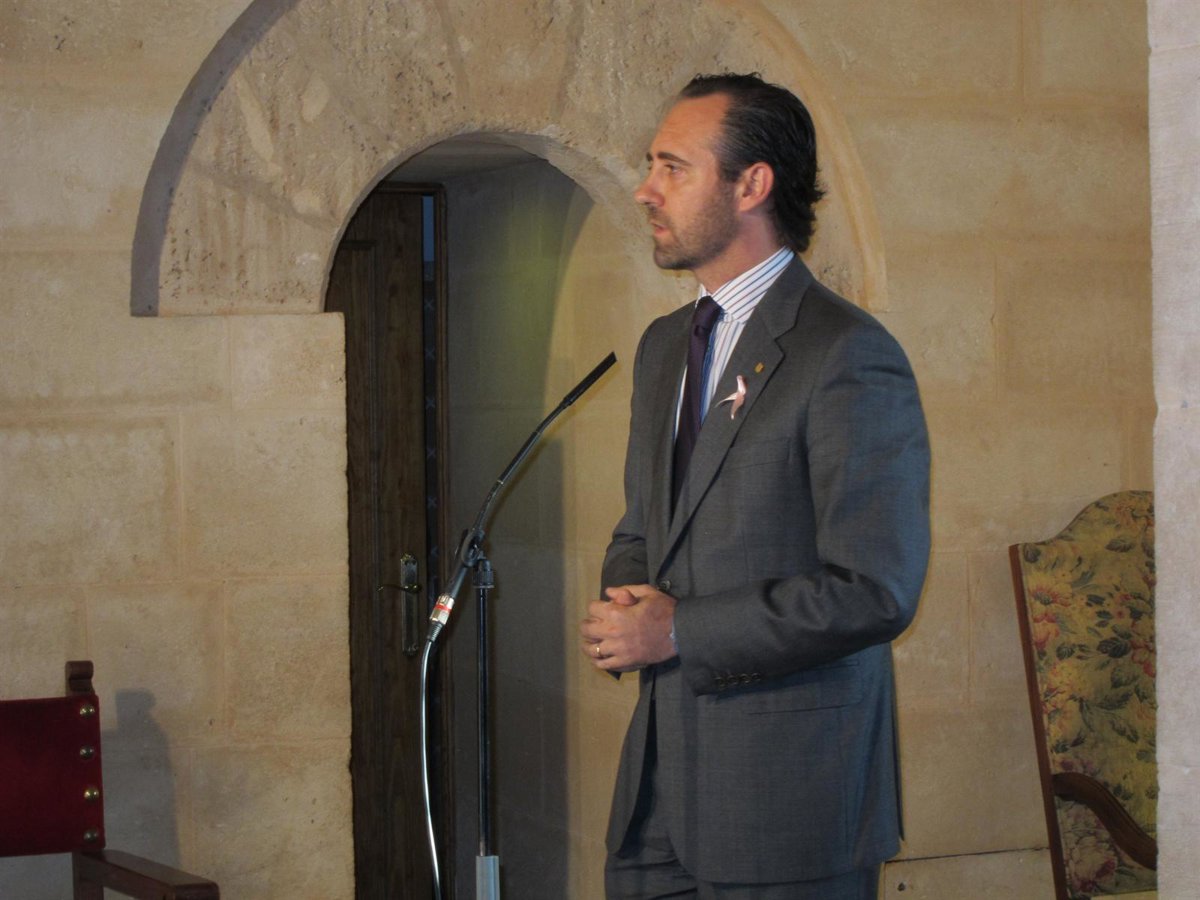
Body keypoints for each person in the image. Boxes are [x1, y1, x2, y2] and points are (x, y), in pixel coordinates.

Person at [578, 73, 931, 900]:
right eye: (651, 165)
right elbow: (645, 526)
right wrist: (626, 601)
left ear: (751, 185)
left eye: (672, 167)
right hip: (658, 794)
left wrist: (677, 630)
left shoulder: (845, 352)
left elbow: (876, 588)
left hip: (789, 802)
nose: (645, 189)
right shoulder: (665, 345)